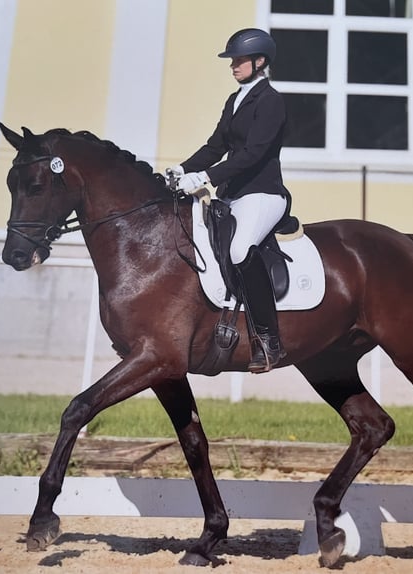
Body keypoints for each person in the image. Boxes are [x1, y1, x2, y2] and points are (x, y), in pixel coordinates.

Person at [168, 28, 290, 373]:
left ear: (259, 62)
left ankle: (269, 341)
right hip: (232, 195)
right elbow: (215, 146)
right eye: (232, 60)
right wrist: (182, 168)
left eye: (238, 60)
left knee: (239, 250)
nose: (233, 66)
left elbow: (253, 154)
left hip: (263, 194)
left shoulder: (271, 101)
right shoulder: (235, 99)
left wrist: (206, 178)